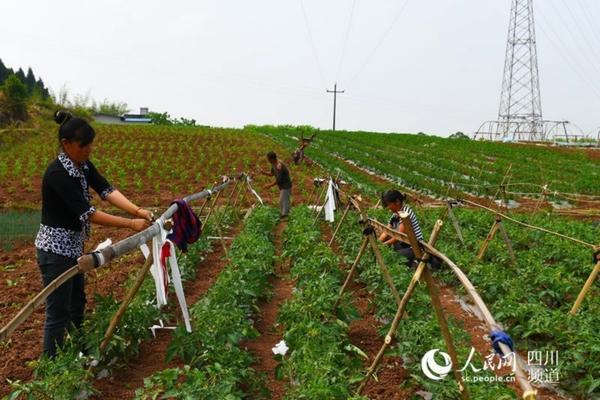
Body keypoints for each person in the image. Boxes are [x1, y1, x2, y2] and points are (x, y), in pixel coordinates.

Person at [34, 110, 153, 357]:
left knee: (77, 305)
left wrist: (137, 210)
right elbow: (89, 214)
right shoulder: (57, 174)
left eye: (90, 145)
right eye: (83, 146)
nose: (88, 150)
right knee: (58, 313)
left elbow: (106, 190)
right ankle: (50, 370)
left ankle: (78, 354)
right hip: (54, 251)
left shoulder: (82, 165)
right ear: (66, 145)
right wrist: (130, 225)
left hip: (73, 247)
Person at [378, 189, 441, 269]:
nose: (388, 207)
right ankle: (414, 261)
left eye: (389, 204)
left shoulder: (405, 213)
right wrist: (378, 243)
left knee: (393, 256)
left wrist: (383, 245)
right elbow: (386, 231)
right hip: (404, 244)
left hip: (414, 246)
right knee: (388, 251)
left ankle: (420, 262)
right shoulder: (395, 215)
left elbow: (398, 237)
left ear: (397, 202)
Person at [260, 151, 292, 218]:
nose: (268, 161)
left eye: (268, 159)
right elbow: (272, 173)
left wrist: (269, 185)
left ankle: (285, 216)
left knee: (283, 200)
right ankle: (285, 214)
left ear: (272, 159)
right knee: (283, 200)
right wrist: (263, 172)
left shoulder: (279, 165)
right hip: (282, 186)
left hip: (286, 185)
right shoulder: (273, 164)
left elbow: (278, 179)